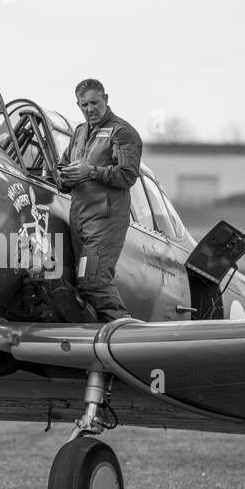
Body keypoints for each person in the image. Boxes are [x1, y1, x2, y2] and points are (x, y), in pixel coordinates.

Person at [57, 79, 143, 322]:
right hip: (79, 217)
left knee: (93, 280)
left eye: (94, 102)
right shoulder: (79, 132)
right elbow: (62, 167)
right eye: (83, 104)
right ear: (78, 105)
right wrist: (64, 177)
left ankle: (126, 333)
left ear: (106, 98)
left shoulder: (123, 132)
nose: (89, 109)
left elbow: (128, 175)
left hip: (105, 219)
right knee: (79, 284)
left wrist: (91, 172)